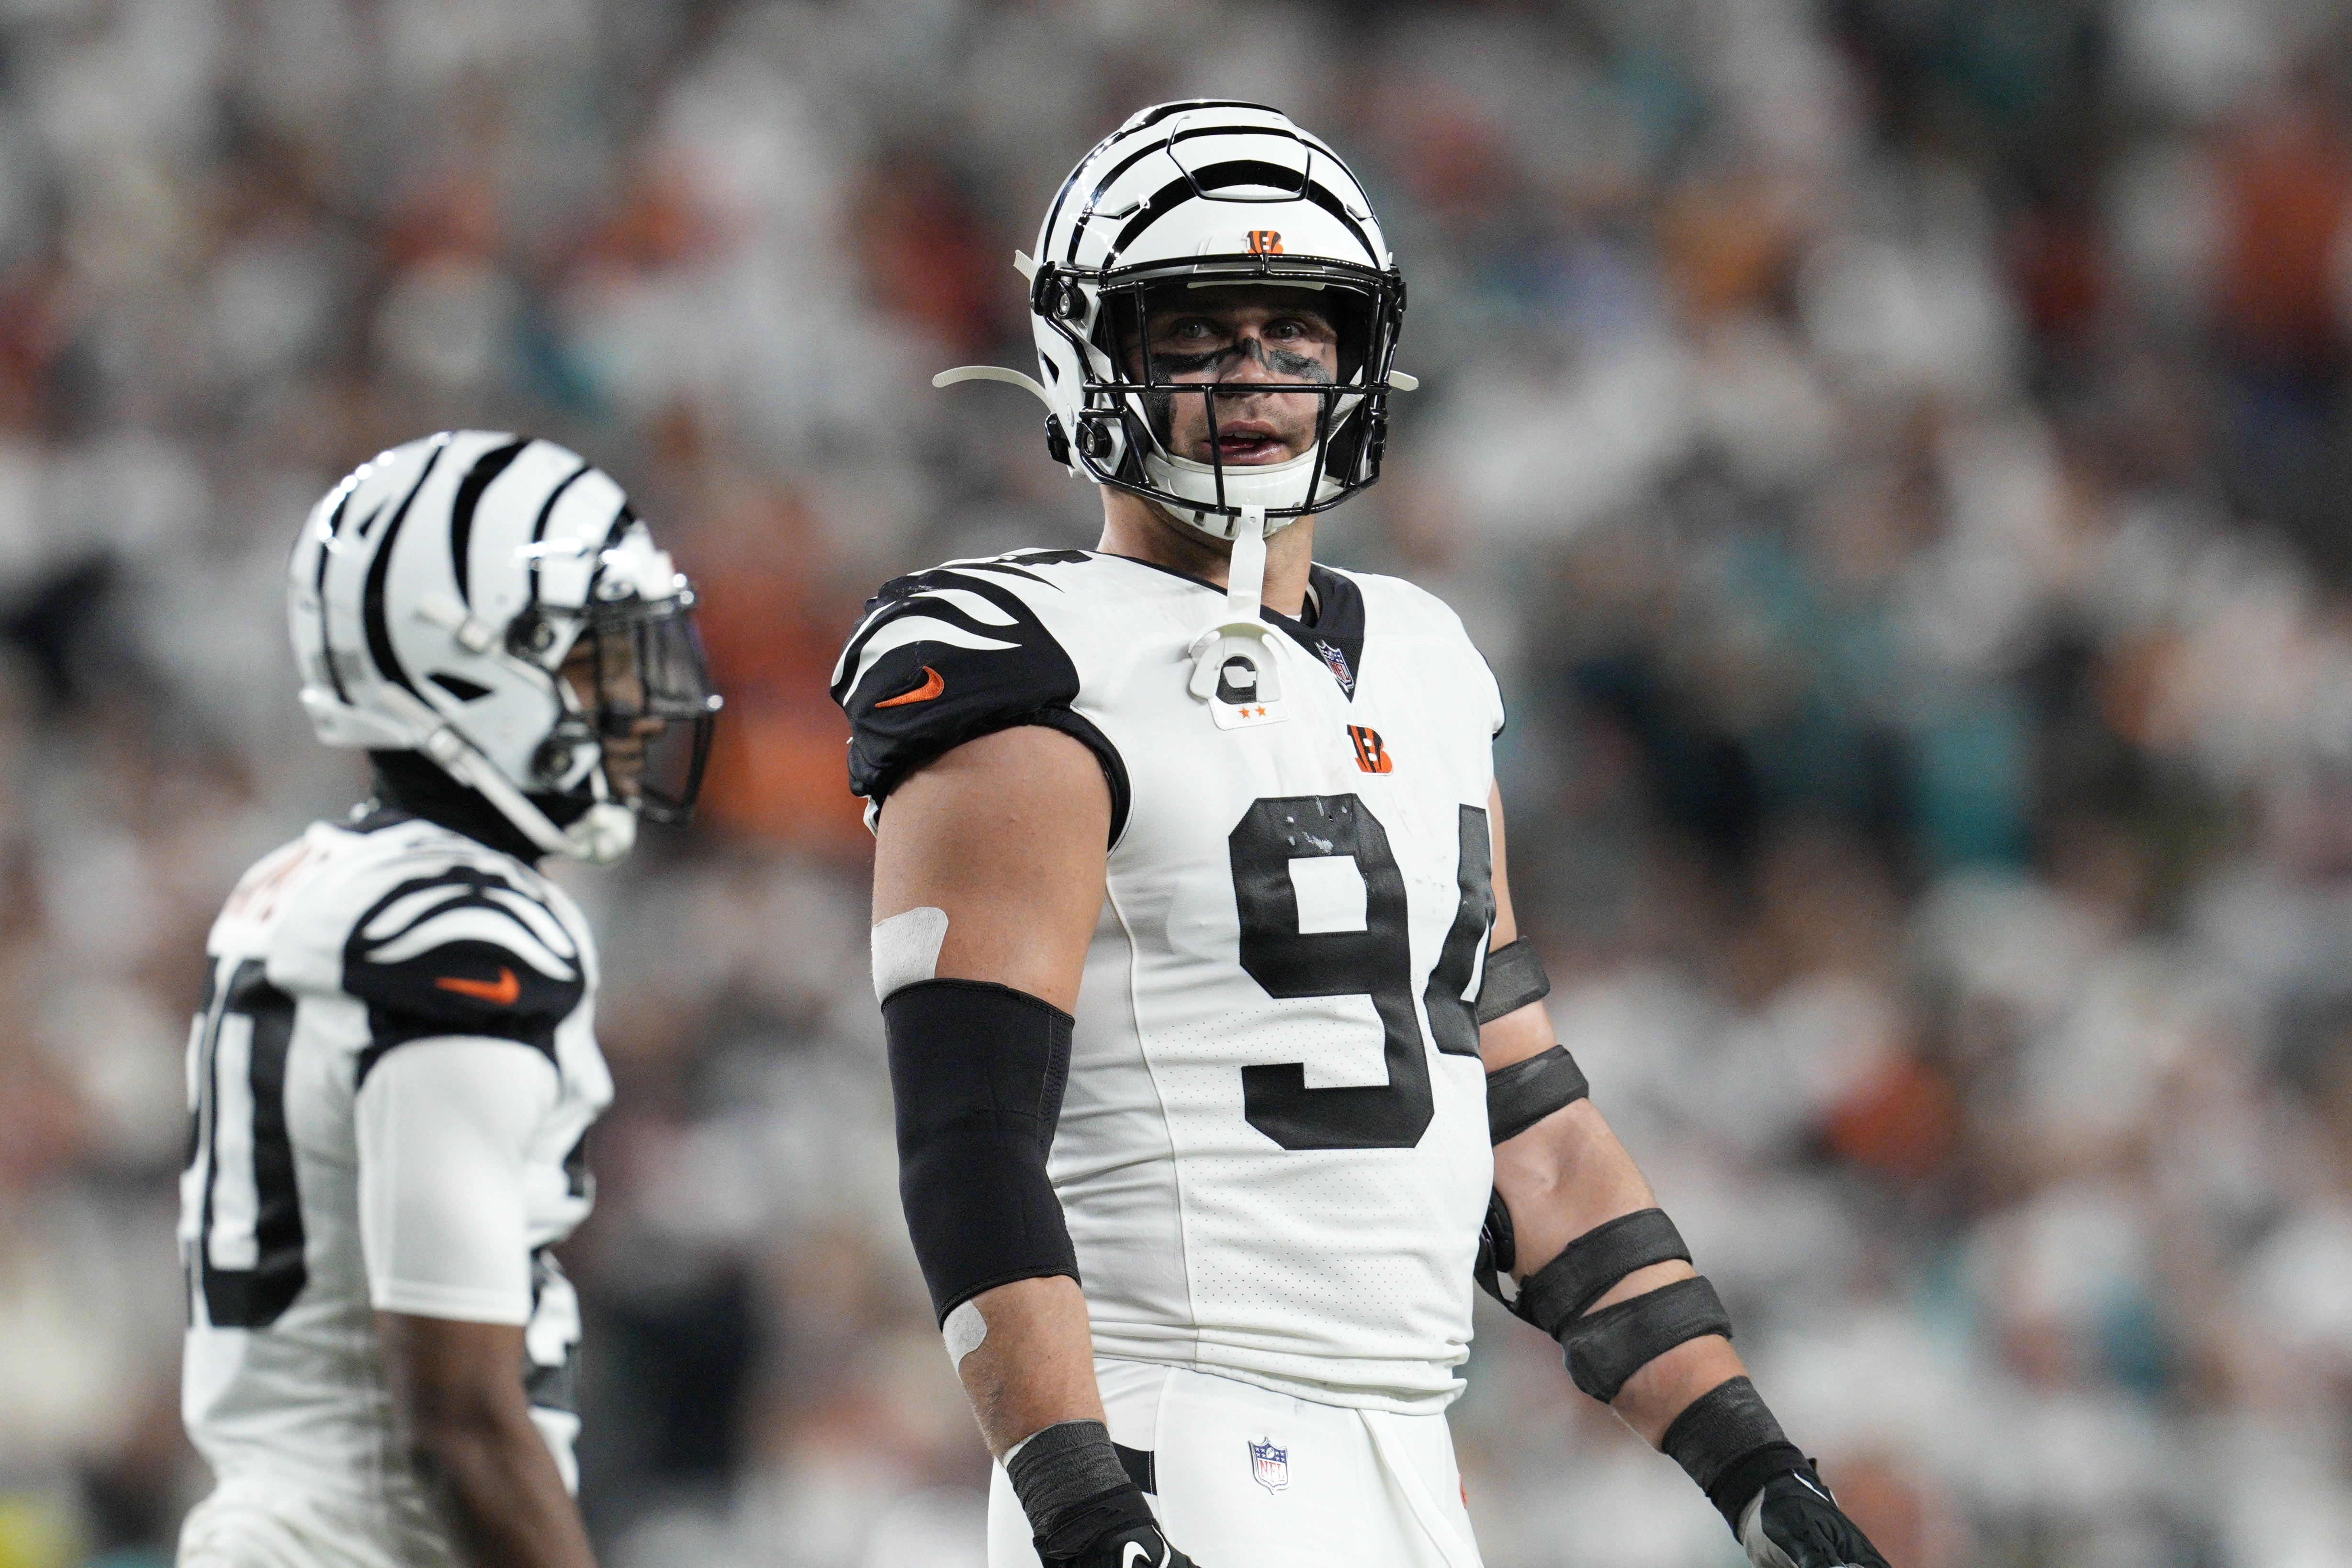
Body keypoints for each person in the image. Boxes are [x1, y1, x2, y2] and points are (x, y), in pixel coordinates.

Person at [832, 102, 1892, 1568]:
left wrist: (1759, 1467)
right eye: (1196, 332)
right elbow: (967, 1142)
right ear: (1091, 347)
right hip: (1174, 1427)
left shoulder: (1425, 656)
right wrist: (1082, 1503)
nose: (1254, 378)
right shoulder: (1035, 661)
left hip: (1406, 1445)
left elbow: (1524, 1116)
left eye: (1295, 331)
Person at [176, 432, 720, 1568]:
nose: (633, 700)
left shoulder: (314, 885)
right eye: (588, 658)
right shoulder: (459, 931)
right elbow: (461, 1421)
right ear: (466, 660)